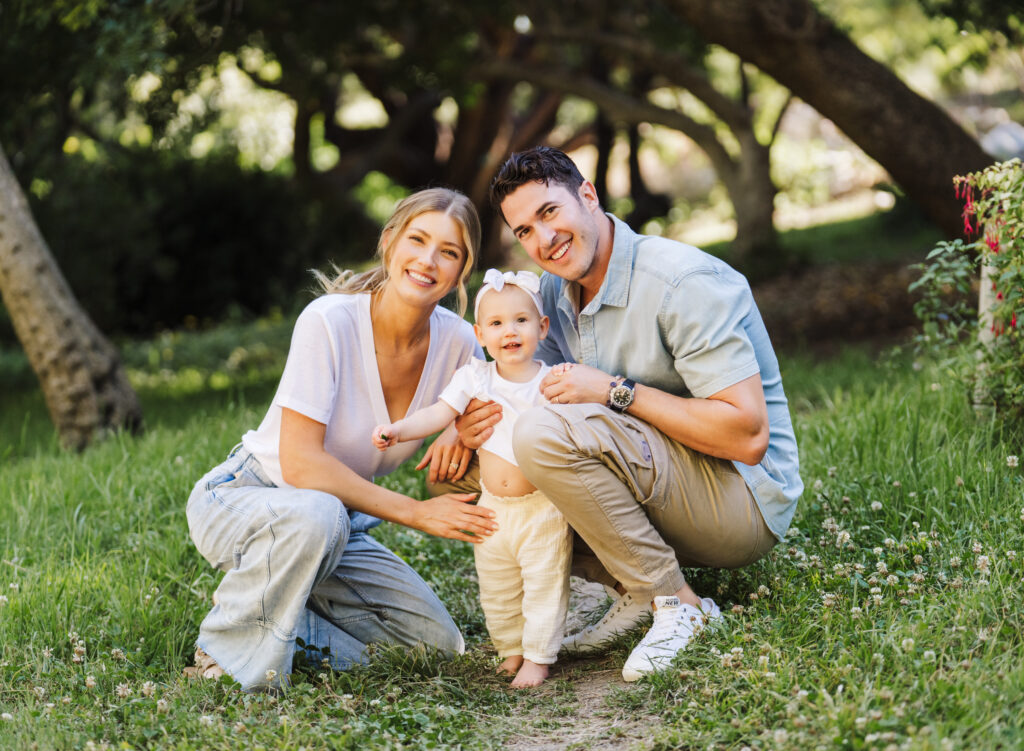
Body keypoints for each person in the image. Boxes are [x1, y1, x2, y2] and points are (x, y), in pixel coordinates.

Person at [455, 147, 803, 682]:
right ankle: (635, 591)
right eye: (524, 230)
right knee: (472, 472)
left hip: (740, 502)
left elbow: (748, 435)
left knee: (545, 435)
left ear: (588, 195)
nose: (543, 240)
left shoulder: (681, 283)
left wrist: (613, 391)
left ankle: (677, 602)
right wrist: (464, 429)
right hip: (658, 478)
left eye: (550, 212)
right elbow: (527, 395)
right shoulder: (552, 291)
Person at [184, 187, 499, 692]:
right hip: (248, 496)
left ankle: (271, 610)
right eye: (417, 240)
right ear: (389, 242)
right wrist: (418, 513)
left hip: (335, 525)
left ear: (463, 269)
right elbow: (302, 464)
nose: (428, 260)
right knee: (319, 512)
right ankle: (225, 645)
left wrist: (455, 428)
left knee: (435, 644)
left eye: (449, 251)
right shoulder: (329, 320)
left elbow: (498, 397)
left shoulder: (460, 342)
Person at [371, 269, 572, 688]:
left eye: (521, 320)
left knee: (543, 584)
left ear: (543, 327)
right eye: (497, 324)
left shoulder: (550, 380)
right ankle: (510, 650)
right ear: (480, 334)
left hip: (543, 507)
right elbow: (438, 415)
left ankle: (538, 656)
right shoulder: (475, 378)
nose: (510, 331)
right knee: (497, 586)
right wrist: (399, 429)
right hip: (492, 507)